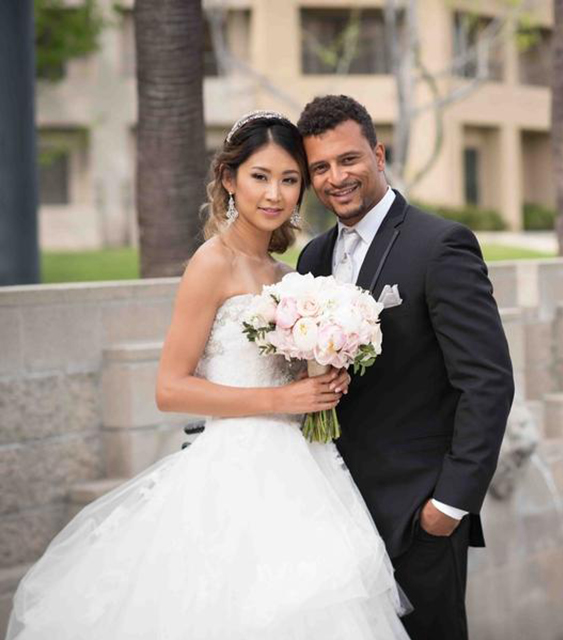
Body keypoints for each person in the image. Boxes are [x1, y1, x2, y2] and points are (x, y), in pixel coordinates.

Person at [5, 112, 410, 640]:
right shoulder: (210, 263)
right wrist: (283, 400)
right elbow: (170, 388)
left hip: (309, 469)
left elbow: (291, 375)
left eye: (289, 180)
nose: (275, 194)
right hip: (235, 472)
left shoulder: (289, 276)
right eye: (260, 176)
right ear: (228, 180)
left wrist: (324, 380)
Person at [296, 94, 515, 640]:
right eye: (319, 167)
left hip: (417, 517)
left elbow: (487, 382)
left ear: (378, 154)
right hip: (333, 508)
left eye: (348, 160)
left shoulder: (439, 245)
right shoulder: (312, 259)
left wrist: (448, 505)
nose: (335, 178)